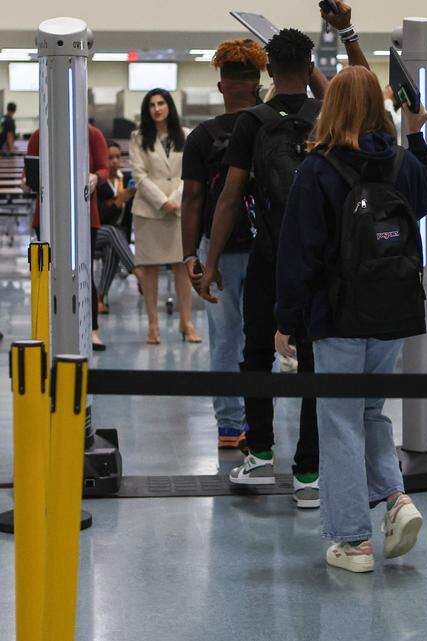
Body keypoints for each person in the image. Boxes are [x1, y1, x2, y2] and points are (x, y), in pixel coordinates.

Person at [273, 66, 427, 572]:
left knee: (340, 420)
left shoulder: (317, 168)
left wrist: (286, 318)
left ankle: (353, 540)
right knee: (370, 411)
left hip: (338, 314)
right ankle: (396, 498)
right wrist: (416, 135)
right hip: (393, 310)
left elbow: (299, 251)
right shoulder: (400, 162)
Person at [196, 25, 337, 506]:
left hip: (268, 254)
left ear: (269, 70)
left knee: (256, 352)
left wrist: (210, 262)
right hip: (319, 261)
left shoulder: (253, 122)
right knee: (314, 362)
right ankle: (309, 473)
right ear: (310, 67)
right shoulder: (328, 116)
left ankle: (258, 455)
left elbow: (230, 196)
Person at [180, 39, 267, 450]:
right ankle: (259, 422)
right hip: (269, 248)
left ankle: (230, 426)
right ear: (257, 84)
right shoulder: (272, 128)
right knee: (262, 339)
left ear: (221, 86)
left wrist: (190, 255)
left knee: (225, 338)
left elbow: (192, 199)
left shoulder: (202, 136)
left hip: (220, 250)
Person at [26, 125, 111, 351]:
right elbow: (29, 172)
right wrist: (27, 181)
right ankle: (48, 328)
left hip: (84, 215)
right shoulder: (39, 136)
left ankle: (92, 329)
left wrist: (95, 177)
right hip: (48, 215)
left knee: (85, 272)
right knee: (48, 273)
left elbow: (104, 168)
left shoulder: (92, 134)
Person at [130, 88, 200, 345]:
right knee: (150, 269)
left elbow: (191, 172)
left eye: (161, 103)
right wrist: (162, 202)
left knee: (183, 266)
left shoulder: (186, 135)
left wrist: (176, 200)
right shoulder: (138, 137)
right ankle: (153, 325)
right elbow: (139, 175)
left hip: (180, 209)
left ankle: (186, 322)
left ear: (169, 106)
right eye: (152, 105)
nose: (157, 108)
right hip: (149, 211)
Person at [94, 141, 137, 313]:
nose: (114, 161)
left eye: (118, 157)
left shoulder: (125, 179)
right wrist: (119, 201)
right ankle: (136, 270)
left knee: (111, 247)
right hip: (96, 232)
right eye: (110, 157)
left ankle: (100, 298)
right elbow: (100, 217)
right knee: (112, 231)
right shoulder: (98, 182)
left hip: (117, 238)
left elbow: (128, 219)